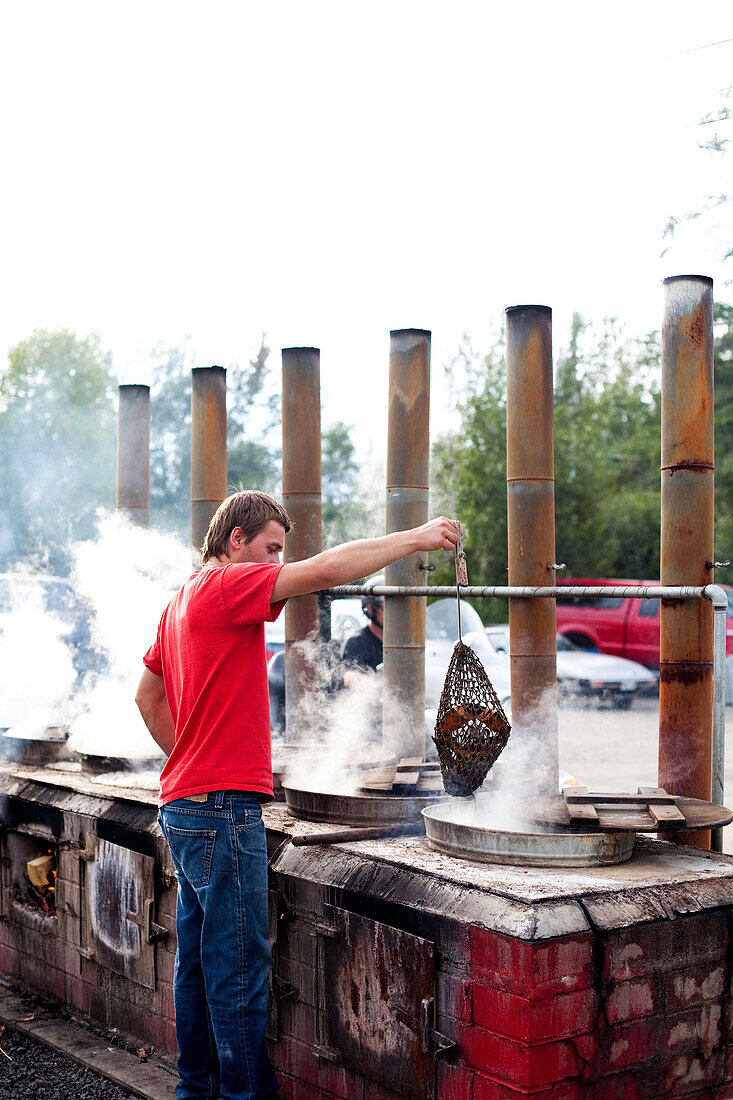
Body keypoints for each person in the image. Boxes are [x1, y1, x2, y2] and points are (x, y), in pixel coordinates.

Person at [134, 490, 459, 1100]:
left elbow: (146, 697)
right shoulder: (228, 584)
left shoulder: (180, 599)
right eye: (272, 549)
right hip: (222, 810)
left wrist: (189, 754)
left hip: (185, 804)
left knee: (199, 964)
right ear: (237, 542)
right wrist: (414, 538)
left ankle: (194, 1090)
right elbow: (327, 572)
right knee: (238, 969)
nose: (278, 562)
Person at [341, 593, 383, 687]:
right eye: (386, 606)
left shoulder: (404, 641)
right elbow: (350, 675)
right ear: (369, 609)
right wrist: (375, 685)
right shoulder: (356, 642)